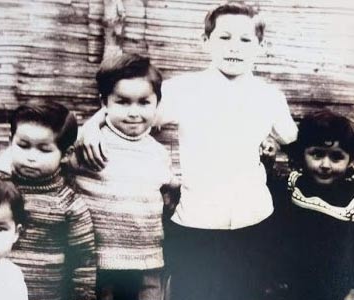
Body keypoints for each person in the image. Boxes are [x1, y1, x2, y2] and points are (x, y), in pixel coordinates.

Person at [77, 2, 298, 299]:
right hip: (197, 221)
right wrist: (90, 127)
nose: (234, 47)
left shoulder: (269, 96)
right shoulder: (183, 90)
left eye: (245, 40)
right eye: (224, 37)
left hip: (253, 218)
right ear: (205, 41)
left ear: (260, 46)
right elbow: (136, 113)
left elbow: (291, 137)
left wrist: (272, 146)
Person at [70, 53, 179, 300]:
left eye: (143, 102)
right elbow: (44, 152)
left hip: (148, 259)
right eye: (123, 102)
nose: (133, 112)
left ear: (157, 104)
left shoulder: (158, 152)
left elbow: (164, 188)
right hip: (100, 260)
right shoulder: (90, 142)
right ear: (104, 102)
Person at [0, 100, 96, 300]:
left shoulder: (68, 203)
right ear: (11, 141)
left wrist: (83, 296)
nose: (31, 157)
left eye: (44, 150)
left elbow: (83, 260)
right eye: (23, 146)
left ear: (66, 154)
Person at [269, 110, 354, 300]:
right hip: (292, 285)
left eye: (336, 157)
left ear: (351, 160)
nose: (325, 164)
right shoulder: (292, 185)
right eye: (317, 154)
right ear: (303, 154)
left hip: (336, 290)